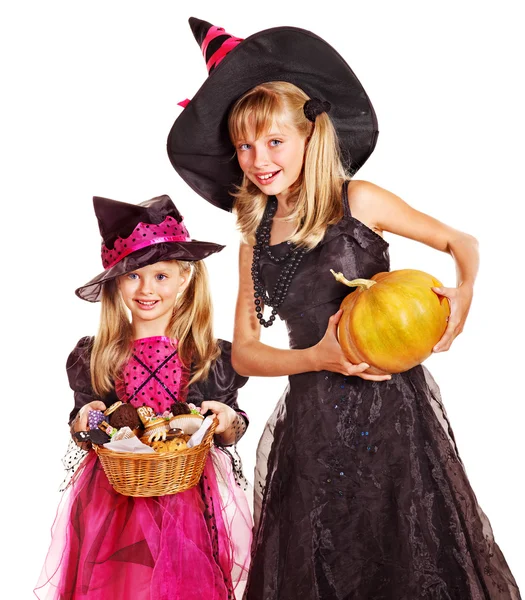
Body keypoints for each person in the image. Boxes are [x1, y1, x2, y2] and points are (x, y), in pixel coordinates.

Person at [166, 17, 522, 600]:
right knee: (327, 560)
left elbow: (464, 243)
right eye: (245, 146)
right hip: (316, 426)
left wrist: (464, 292)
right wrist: (320, 357)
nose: (259, 159)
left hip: (396, 415)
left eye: (274, 141)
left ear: (311, 136)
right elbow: (249, 353)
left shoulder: (359, 200)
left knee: (407, 551)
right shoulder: (256, 236)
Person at [35, 194, 252, 600]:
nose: (146, 289)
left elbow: (232, 423)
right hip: (112, 498)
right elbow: (84, 421)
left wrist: (225, 418)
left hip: (185, 499)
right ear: (116, 281)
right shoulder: (96, 354)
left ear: (185, 278)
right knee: (120, 585)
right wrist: (86, 421)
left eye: (160, 276)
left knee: (181, 585)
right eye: (133, 276)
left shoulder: (209, 355)